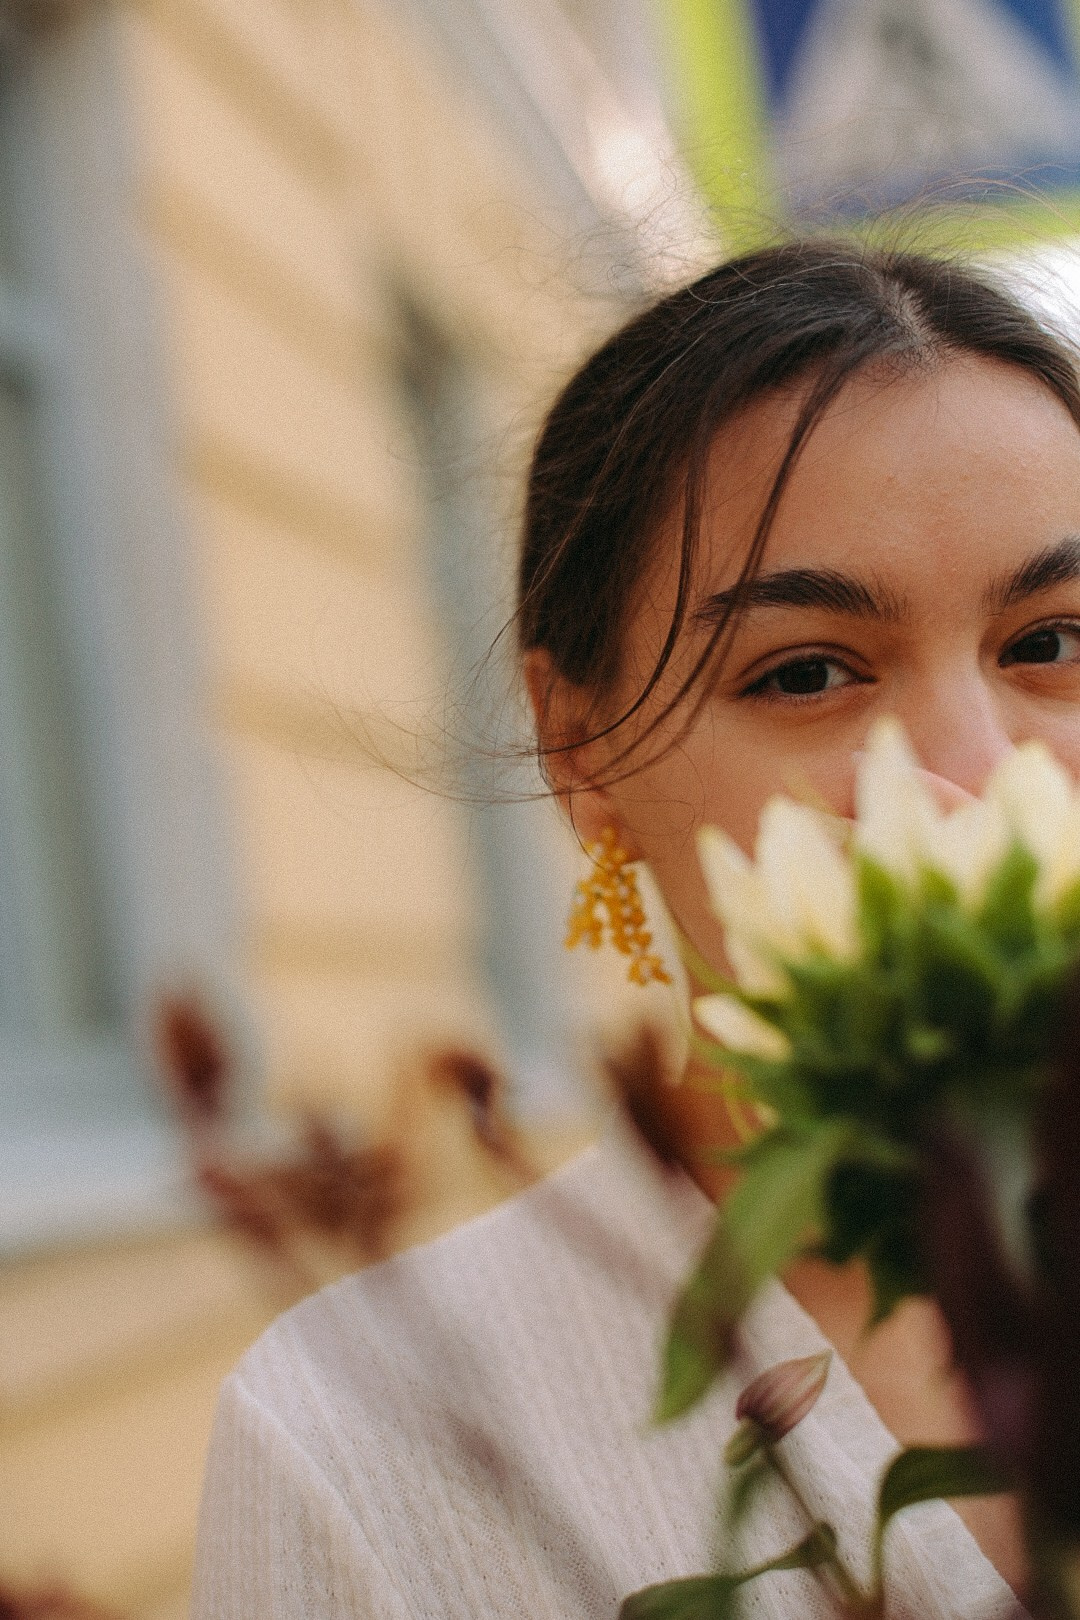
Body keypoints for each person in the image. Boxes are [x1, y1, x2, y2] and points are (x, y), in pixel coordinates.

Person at [191, 239, 1080, 1618]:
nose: (972, 773)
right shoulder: (358, 1437)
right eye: (807, 673)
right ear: (581, 747)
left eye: (1054, 644)